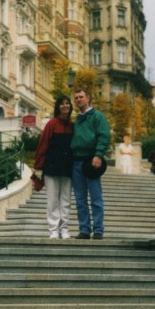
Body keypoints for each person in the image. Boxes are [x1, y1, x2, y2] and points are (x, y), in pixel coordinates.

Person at [70, 88, 111, 239]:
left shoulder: (97, 116)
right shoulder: (76, 120)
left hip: (91, 161)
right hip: (76, 162)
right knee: (80, 200)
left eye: (81, 97)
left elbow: (104, 136)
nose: (78, 100)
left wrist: (98, 154)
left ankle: (98, 229)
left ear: (88, 98)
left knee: (95, 198)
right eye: (76, 98)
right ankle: (84, 229)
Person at [33, 95, 74, 239]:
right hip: (51, 167)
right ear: (58, 106)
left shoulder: (72, 126)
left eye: (67, 103)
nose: (65, 106)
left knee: (66, 200)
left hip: (67, 168)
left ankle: (64, 229)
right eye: (62, 104)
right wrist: (38, 166)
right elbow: (42, 145)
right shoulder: (51, 124)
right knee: (52, 200)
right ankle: (53, 230)